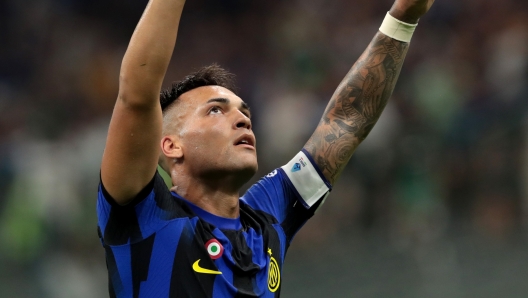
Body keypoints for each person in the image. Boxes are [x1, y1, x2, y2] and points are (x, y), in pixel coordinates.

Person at [97, 0, 436, 297]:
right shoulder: (145, 219)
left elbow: (345, 121)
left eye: (244, 112)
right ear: (171, 145)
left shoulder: (268, 216)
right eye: (216, 110)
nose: (243, 120)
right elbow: (137, 95)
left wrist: (402, 17)